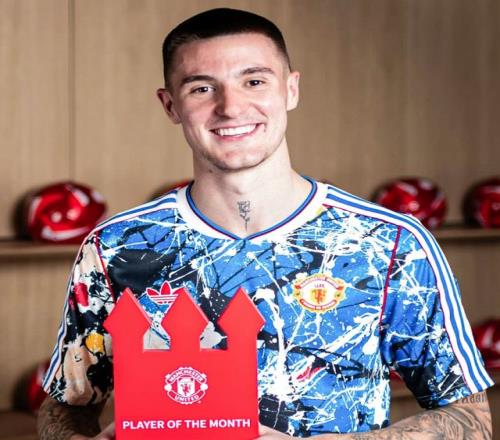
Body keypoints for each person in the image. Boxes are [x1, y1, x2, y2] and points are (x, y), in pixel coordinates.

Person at [37, 7, 493, 439]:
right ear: (170, 105)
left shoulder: (390, 242)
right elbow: (66, 405)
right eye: (201, 88)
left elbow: (470, 419)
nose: (231, 107)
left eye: (254, 81)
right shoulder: (116, 245)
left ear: (291, 90)